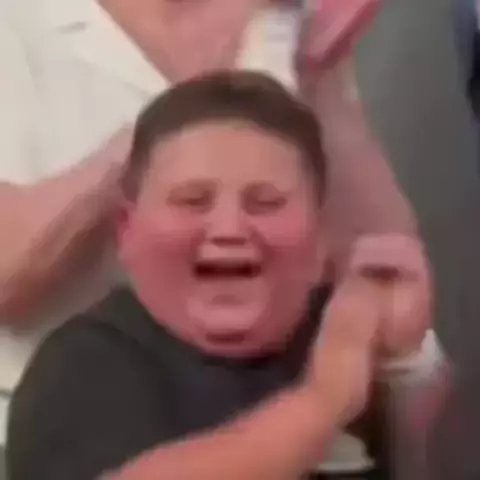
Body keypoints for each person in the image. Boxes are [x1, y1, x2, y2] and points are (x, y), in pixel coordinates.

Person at [6, 71, 434, 480]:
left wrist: (404, 363)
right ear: (127, 231)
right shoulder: (85, 362)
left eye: (266, 203)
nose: (229, 228)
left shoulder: (340, 328)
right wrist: (322, 403)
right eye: (192, 201)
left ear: (320, 236)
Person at [0, 0, 423, 370]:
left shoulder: (286, 25)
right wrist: (183, 124)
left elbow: (390, 291)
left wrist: (318, 74)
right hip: (60, 414)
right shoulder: (19, 22)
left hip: (270, 408)